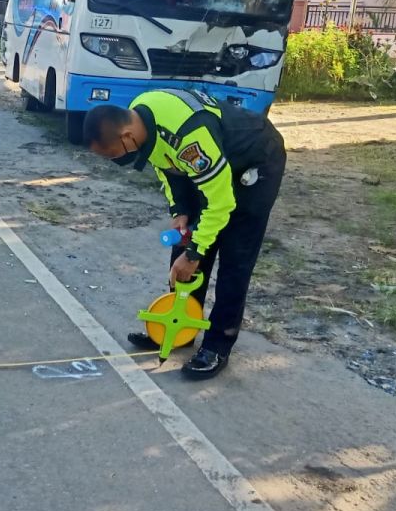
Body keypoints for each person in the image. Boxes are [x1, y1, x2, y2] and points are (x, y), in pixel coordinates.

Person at [84, 89, 287, 379]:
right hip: (213, 163)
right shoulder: (139, 115)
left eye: (113, 154)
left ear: (127, 136)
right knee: (185, 238)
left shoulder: (190, 136)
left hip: (254, 159)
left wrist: (195, 254)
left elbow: (221, 203)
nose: (115, 160)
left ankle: (217, 346)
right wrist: (179, 209)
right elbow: (166, 165)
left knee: (235, 255)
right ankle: (181, 327)